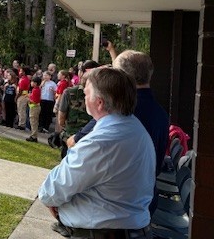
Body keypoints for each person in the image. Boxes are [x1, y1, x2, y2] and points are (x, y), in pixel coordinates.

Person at [39, 67, 154, 239]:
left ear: (99, 102)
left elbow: (53, 191)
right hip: (132, 230)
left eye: (86, 93)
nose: (84, 97)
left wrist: (52, 201)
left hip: (103, 233)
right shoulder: (136, 130)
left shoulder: (98, 143)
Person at [53, 60, 100, 158]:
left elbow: (61, 120)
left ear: (81, 73)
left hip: (70, 139)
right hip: (92, 141)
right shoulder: (104, 95)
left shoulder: (69, 92)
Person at [26, 76, 42, 142]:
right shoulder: (35, 89)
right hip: (33, 107)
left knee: (33, 122)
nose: (31, 83)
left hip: (34, 107)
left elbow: (35, 101)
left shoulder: (35, 90)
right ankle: (33, 135)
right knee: (33, 121)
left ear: (35, 83)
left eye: (32, 82)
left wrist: (28, 98)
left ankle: (34, 136)